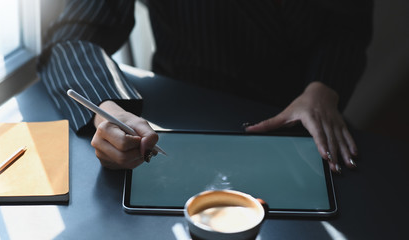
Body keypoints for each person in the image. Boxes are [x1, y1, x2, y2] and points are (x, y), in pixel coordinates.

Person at [38, 0, 372, 172]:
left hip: (296, 129)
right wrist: (107, 111)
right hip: (176, 127)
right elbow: (70, 40)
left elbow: (347, 24)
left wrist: (323, 87)